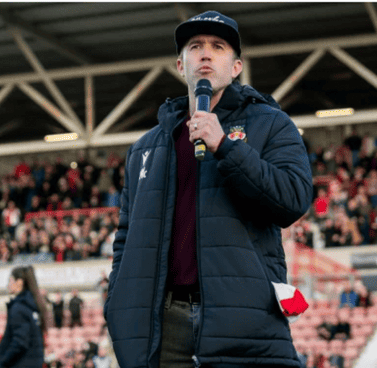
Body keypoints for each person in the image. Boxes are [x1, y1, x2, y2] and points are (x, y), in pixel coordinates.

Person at [104, 10, 313, 368]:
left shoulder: (271, 124)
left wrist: (227, 148)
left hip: (244, 321)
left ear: (235, 67)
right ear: (180, 65)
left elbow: (293, 199)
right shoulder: (145, 148)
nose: (205, 54)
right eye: (195, 46)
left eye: (218, 47)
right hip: (164, 327)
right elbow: (125, 236)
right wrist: (118, 303)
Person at [0, 266, 48, 368]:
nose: (8, 284)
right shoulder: (33, 306)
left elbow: (20, 342)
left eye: (10, 280)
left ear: (19, 282)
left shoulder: (19, 308)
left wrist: (3, 361)